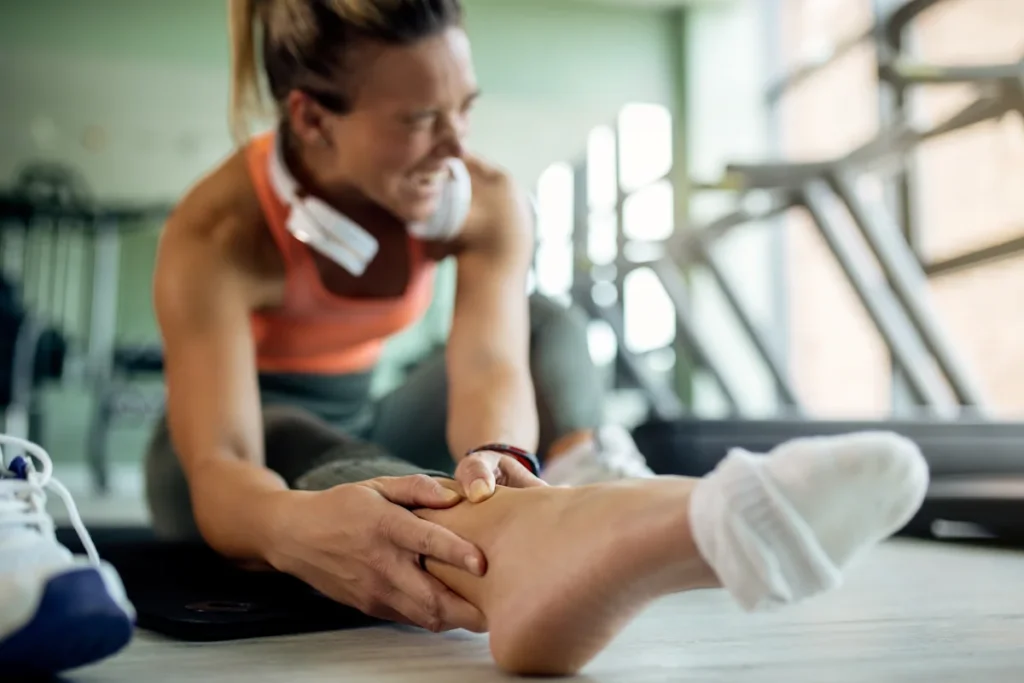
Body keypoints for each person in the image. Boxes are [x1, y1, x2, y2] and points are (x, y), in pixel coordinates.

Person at [144, 0, 931, 675]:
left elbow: (489, 359)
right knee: (299, 442)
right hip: (225, 448)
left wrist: (500, 456)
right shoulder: (218, 231)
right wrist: (292, 527)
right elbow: (221, 469)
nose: (457, 148)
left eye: (464, 108)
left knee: (543, 318)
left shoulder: (480, 199)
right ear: (312, 117)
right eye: (420, 121)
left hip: (369, 411)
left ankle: (574, 484)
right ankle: (563, 541)